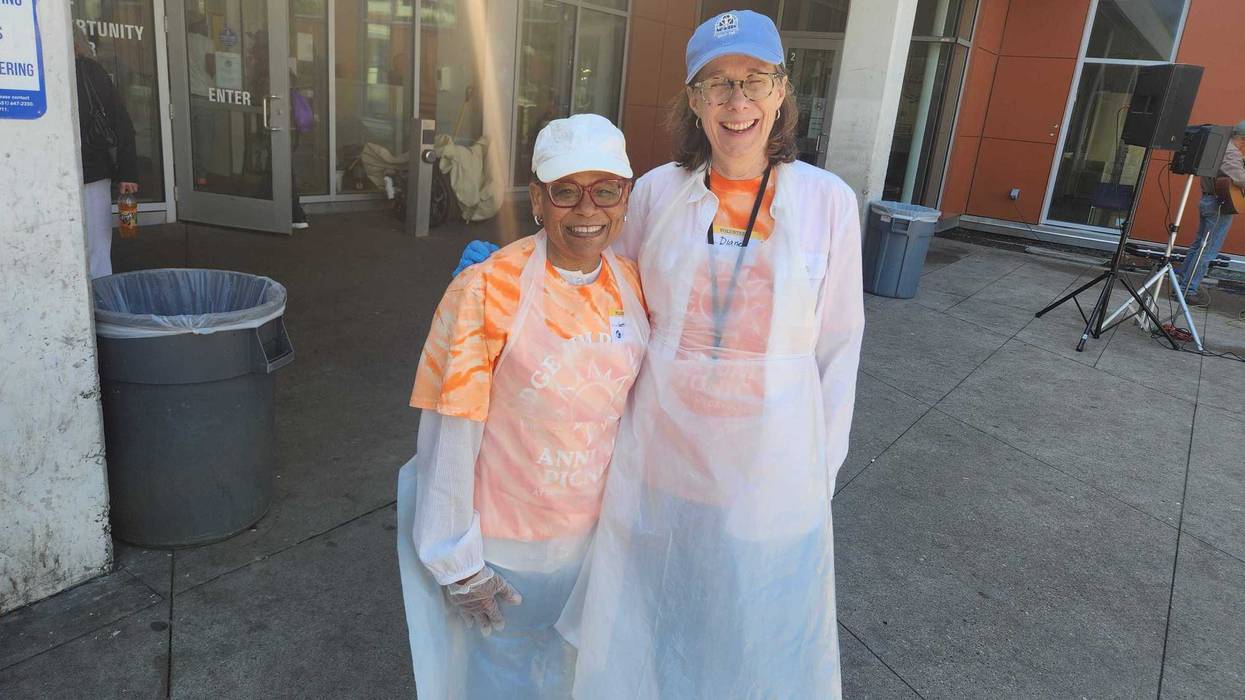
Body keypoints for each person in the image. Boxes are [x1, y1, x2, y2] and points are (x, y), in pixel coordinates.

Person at [458, 11, 865, 697]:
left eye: (752, 82)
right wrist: (507, 282)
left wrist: (815, 477)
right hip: (662, 452)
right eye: (715, 86)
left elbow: (837, 345)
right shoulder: (654, 193)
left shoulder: (826, 202)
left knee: (752, 629)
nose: (736, 102)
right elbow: (597, 295)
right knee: (648, 619)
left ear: (780, 92)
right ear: (694, 103)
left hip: (770, 467)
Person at [396, 114, 649, 699]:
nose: (587, 210)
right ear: (538, 198)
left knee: (569, 671)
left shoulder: (632, 286)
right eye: (566, 191)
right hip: (510, 546)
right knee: (502, 675)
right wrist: (454, 557)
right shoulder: (487, 290)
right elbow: (450, 429)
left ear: (626, 198)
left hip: (593, 540)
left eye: (605, 189)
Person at [74, 26, 138, 279]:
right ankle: (98, 307)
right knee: (97, 250)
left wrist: (128, 172)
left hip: (81, 170)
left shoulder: (86, 72)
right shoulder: (91, 71)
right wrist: (128, 172)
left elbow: (119, 122)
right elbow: (121, 122)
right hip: (93, 171)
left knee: (93, 246)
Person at [1175, 120, 1245, 307]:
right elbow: (1240, 178)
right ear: (1242, 139)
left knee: (1198, 246)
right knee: (1208, 251)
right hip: (1218, 205)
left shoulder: (1221, 147)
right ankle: (1188, 290)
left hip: (1210, 201)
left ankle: (1181, 284)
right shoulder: (1230, 152)